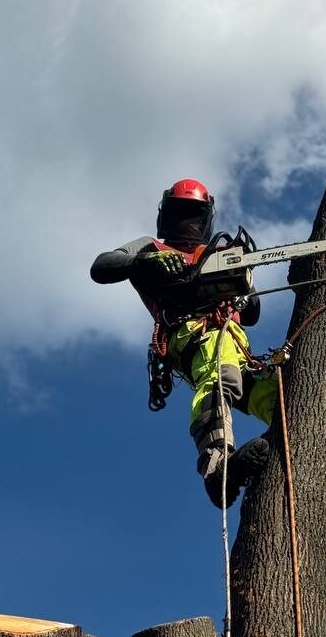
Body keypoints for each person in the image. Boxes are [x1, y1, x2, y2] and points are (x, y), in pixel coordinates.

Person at [91, 178, 276, 507]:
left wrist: (242, 286)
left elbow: (252, 312)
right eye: (182, 212)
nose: (187, 221)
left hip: (234, 341)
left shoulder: (217, 253)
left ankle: (280, 442)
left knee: (271, 393)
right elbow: (103, 266)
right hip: (190, 333)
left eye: (193, 213)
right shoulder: (151, 247)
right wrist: (142, 262)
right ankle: (217, 466)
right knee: (221, 378)